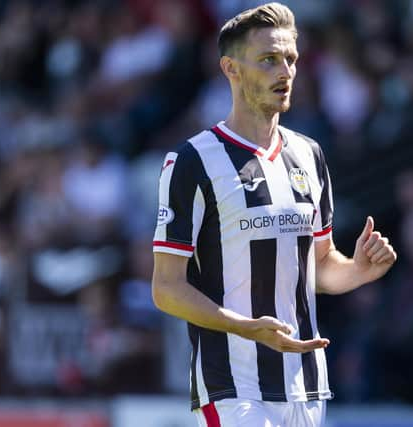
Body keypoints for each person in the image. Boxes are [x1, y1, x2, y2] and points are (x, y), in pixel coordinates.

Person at [151, 3, 397, 426]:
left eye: (291, 59)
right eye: (268, 59)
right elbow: (166, 288)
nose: (284, 71)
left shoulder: (309, 154)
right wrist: (245, 327)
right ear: (231, 68)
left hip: (305, 385)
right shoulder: (192, 161)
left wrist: (358, 270)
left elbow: (319, 267)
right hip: (232, 386)